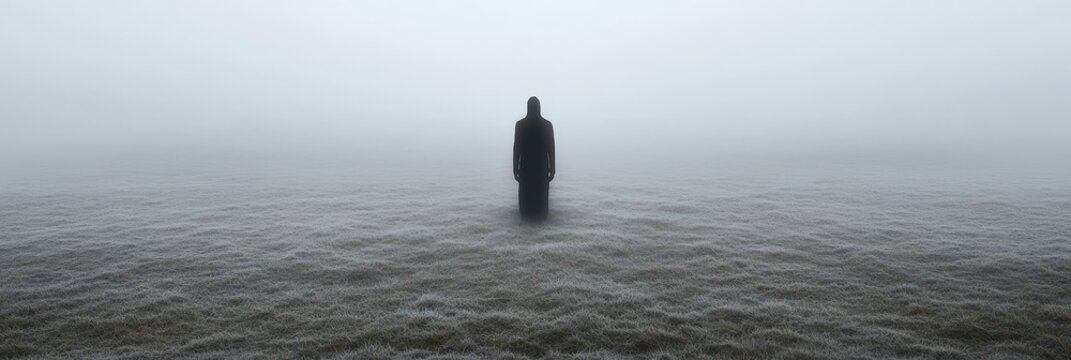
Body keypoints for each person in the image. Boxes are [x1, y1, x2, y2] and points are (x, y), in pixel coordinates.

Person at [513, 96, 555, 221]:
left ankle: (527, 216)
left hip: (526, 167)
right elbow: (551, 149)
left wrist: (515, 169)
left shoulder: (520, 125)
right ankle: (540, 216)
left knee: (527, 195)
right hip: (541, 167)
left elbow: (516, 149)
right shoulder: (547, 125)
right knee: (540, 194)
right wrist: (552, 168)